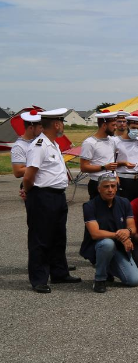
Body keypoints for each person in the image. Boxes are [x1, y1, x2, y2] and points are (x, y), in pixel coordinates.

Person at [22, 108, 81, 293]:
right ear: (56, 124)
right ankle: (39, 279)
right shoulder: (39, 145)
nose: (63, 126)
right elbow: (29, 176)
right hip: (42, 196)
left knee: (58, 237)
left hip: (57, 196)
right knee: (40, 239)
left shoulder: (53, 144)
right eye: (62, 122)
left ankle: (59, 273)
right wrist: (30, 193)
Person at [80, 172, 138, 293]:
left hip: (118, 247)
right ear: (98, 189)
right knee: (107, 243)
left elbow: (132, 228)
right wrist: (122, 237)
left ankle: (107, 267)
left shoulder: (124, 202)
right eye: (106, 186)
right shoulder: (90, 206)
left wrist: (127, 232)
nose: (110, 190)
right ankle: (100, 279)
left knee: (133, 280)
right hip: (98, 246)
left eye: (113, 186)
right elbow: (95, 233)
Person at [80, 110, 120, 199]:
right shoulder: (89, 143)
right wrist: (104, 167)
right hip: (97, 183)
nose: (115, 127)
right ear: (104, 125)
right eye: (113, 125)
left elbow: (111, 161)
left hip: (112, 182)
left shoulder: (112, 141)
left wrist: (116, 176)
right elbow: (83, 167)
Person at [115, 113, 138, 201]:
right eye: (133, 128)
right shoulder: (115, 141)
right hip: (123, 179)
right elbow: (109, 163)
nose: (135, 130)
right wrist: (123, 164)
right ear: (127, 125)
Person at [11, 110, 43, 183]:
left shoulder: (42, 141)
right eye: (40, 127)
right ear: (31, 128)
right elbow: (18, 172)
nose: (42, 130)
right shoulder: (19, 146)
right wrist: (45, 166)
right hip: (33, 187)